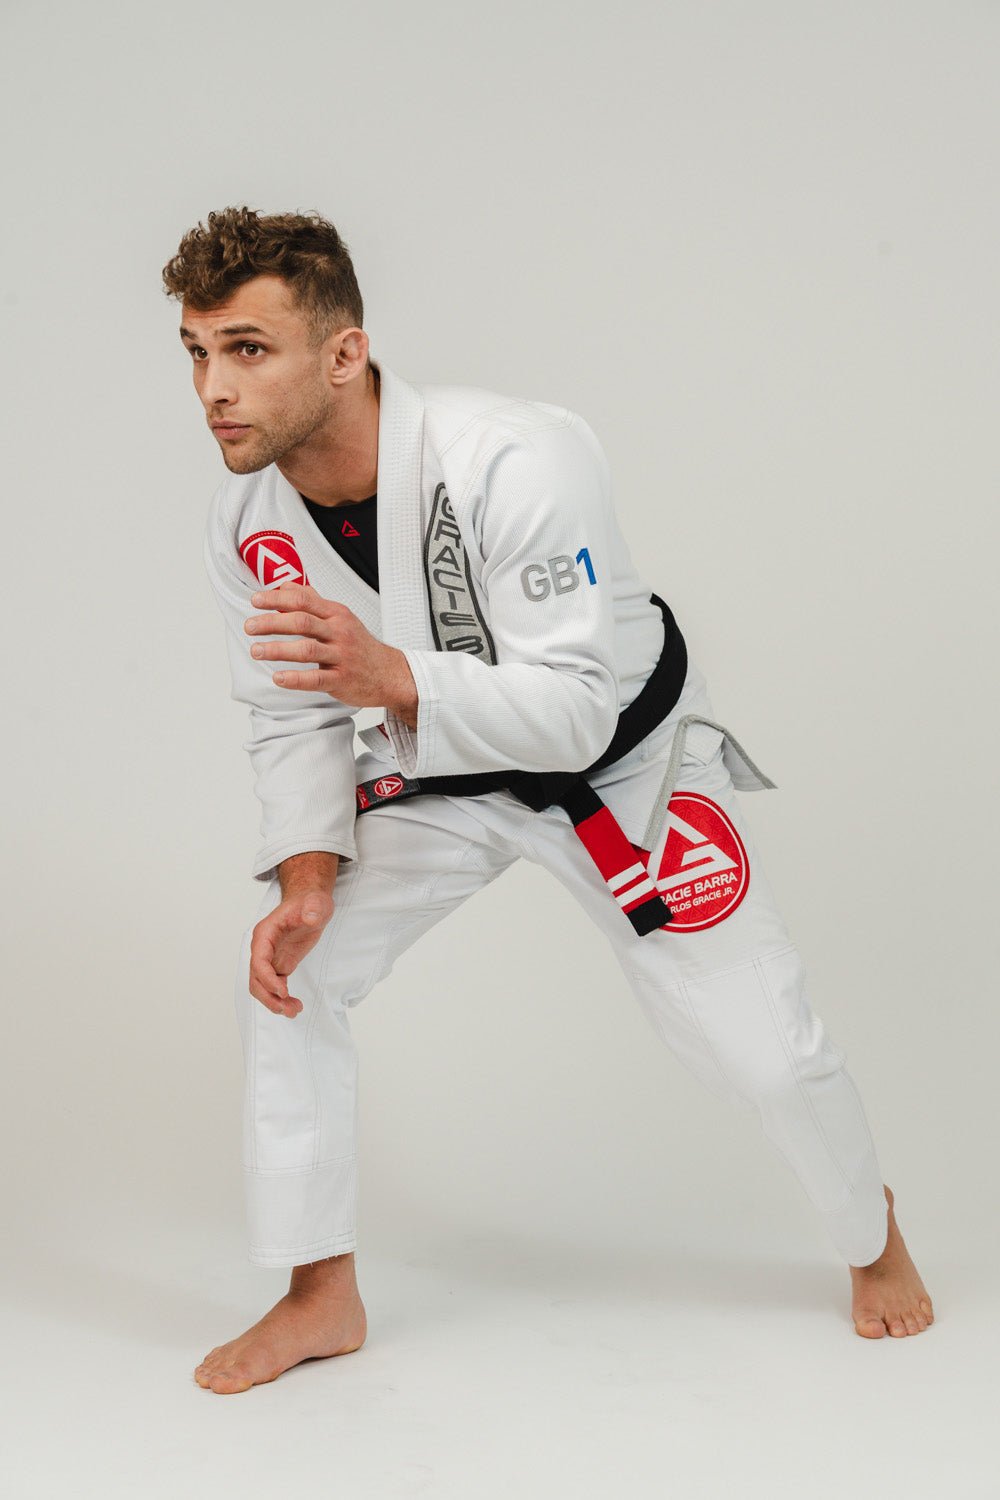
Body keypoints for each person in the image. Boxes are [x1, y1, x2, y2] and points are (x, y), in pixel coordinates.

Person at [163, 206, 934, 1396]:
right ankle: (320, 1292)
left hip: (623, 765)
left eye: (248, 349)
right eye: (197, 351)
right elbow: (291, 713)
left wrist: (393, 674)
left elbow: (574, 711)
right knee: (286, 975)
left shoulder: (515, 457)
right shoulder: (246, 521)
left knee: (769, 1057)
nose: (214, 387)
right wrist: (308, 877)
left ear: (344, 353)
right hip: (443, 766)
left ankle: (869, 1235)